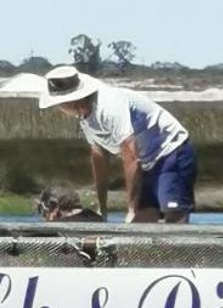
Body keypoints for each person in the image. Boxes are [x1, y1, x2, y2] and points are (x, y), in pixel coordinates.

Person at [37, 64, 198, 224]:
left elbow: (131, 155)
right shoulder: (85, 119)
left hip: (171, 150)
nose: (59, 108)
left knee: (174, 215)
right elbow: (98, 156)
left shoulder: (108, 105)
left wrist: (131, 209)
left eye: (59, 104)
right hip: (147, 162)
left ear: (71, 102)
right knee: (142, 222)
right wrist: (102, 207)